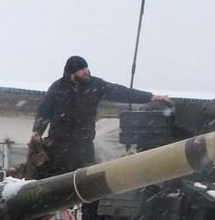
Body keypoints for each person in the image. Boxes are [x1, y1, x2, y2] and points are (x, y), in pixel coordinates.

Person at [32, 55, 169, 176]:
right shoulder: (57, 88)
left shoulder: (95, 85)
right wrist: (37, 130)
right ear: (71, 73)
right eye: (81, 69)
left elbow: (120, 91)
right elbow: (44, 111)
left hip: (84, 144)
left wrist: (150, 97)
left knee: (84, 182)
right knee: (59, 181)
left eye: (86, 67)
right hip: (59, 145)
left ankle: (81, 206)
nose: (86, 71)